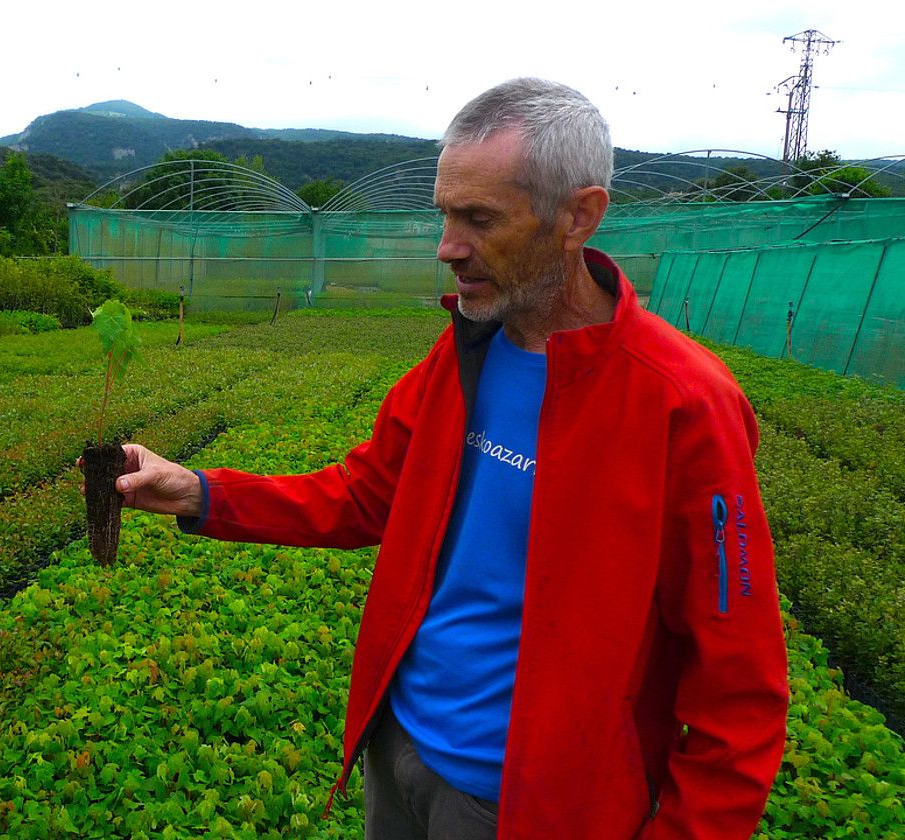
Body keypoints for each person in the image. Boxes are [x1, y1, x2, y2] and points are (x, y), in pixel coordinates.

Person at [102, 78, 789, 839]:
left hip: (525, 801)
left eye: (479, 219)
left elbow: (740, 686)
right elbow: (366, 494)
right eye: (444, 214)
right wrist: (200, 492)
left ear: (578, 215)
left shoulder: (684, 404)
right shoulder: (464, 353)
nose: (446, 248)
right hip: (397, 751)